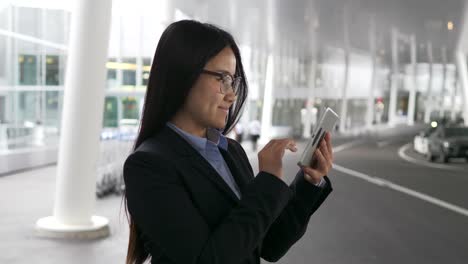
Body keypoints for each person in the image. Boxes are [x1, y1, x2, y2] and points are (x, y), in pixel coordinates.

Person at [123, 20, 334, 264]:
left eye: (232, 80)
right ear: (184, 74)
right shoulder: (148, 166)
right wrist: (267, 181)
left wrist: (309, 181)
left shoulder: (230, 151)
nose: (231, 95)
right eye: (221, 78)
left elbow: (270, 245)